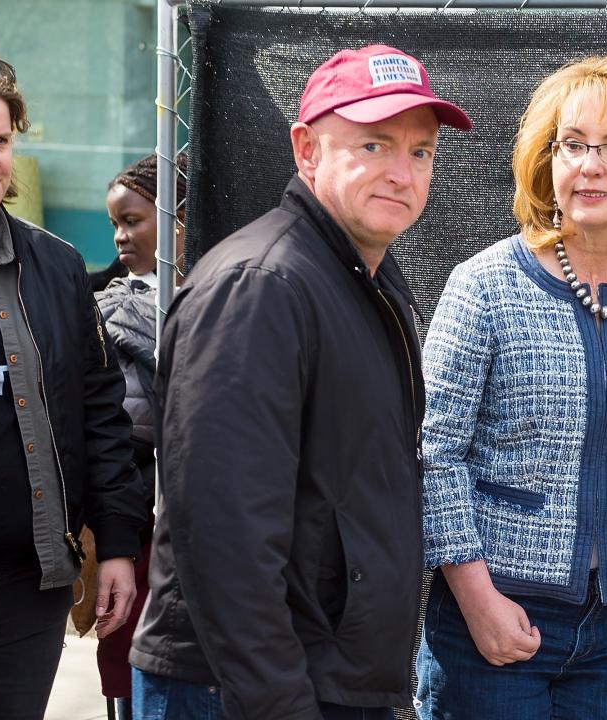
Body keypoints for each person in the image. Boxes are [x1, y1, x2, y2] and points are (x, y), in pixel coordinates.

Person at [129, 44, 472, 720]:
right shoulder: (261, 287)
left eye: (421, 152)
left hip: (324, 679)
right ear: (306, 149)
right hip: (243, 690)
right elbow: (223, 530)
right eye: (373, 145)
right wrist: (279, 703)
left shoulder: (365, 282)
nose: (401, 173)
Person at [415, 54, 607, 720]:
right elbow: (432, 455)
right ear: (546, 161)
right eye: (573, 144)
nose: (591, 164)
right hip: (493, 617)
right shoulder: (486, 287)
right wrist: (478, 601)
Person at [0, 53, 146, 718]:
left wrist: (119, 545)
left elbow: (100, 413)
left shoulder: (58, 266)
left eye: (2, 140)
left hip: (28, 582)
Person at [87, 151, 187, 719]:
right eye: (115, 224)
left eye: (133, 220)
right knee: (131, 670)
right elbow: (122, 425)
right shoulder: (104, 302)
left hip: (192, 519)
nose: (121, 236)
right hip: (137, 517)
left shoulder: (210, 290)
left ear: (177, 218)